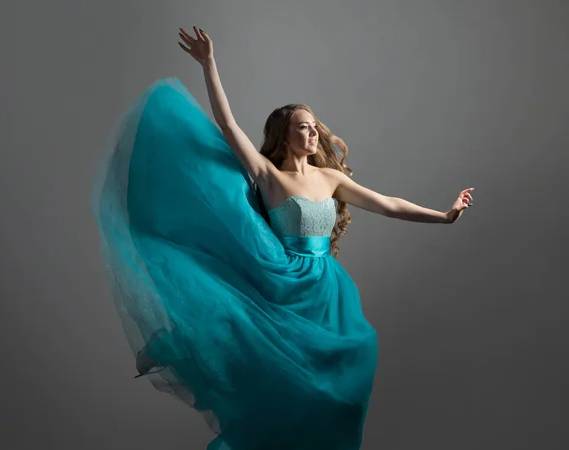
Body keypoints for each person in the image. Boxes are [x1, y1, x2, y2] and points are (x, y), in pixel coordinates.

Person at [91, 26, 473, 450]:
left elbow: (387, 203)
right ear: (284, 134)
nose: (313, 133)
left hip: (326, 287)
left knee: (346, 375)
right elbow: (227, 123)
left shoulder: (330, 178)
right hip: (282, 279)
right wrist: (208, 63)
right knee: (275, 373)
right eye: (303, 127)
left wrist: (445, 215)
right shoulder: (267, 175)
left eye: (314, 127)